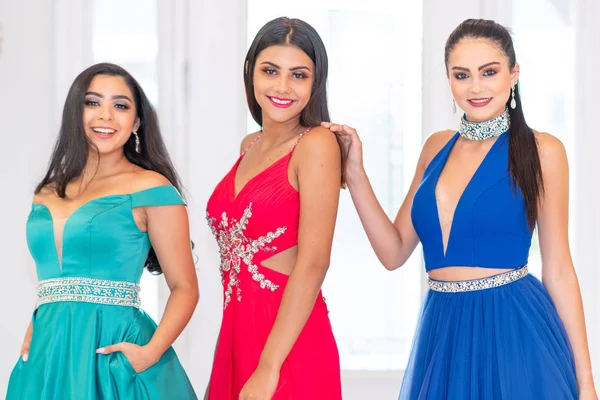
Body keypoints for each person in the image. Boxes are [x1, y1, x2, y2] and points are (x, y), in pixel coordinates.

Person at [323, 19, 596, 399]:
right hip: (444, 332)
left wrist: (587, 383)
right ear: (449, 81)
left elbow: (561, 270)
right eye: (462, 75)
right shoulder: (435, 148)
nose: (476, 87)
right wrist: (354, 174)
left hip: (513, 331)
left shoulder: (542, 151)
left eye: (490, 72)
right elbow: (393, 251)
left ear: (513, 74)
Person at [7, 63, 199, 399]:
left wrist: (149, 353)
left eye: (120, 106)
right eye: (93, 103)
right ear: (75, 113)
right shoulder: (47, 191)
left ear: (137, 121)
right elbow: (55, 282)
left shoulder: (153, 189)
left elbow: (185, 287)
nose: (105, 116)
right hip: (46, 356)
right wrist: (35, 327)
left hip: (113, 357)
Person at [205, 17, 343, 400]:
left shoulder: (317, 145)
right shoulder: (249, 144)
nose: (282, 87)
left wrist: (269, 367)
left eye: (298, 75)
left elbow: (314, 262)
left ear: (316, 82)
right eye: (270, 71)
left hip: (287, 340)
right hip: (236, 329)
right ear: (250, 72)